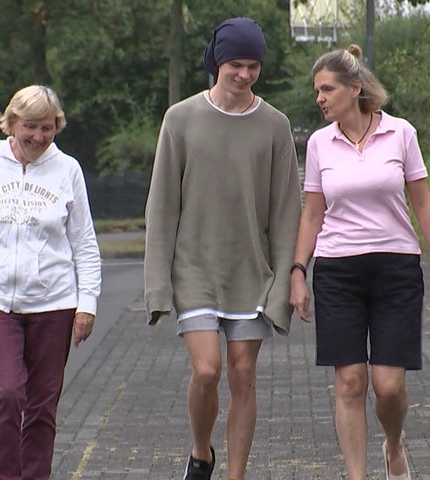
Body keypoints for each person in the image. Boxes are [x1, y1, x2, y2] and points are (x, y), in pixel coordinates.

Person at [144, 17, 301, 480]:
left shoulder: (275, 125)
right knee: (208, 370)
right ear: (217, 61)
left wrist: (285, 279)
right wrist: (158, 286)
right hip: (193, 270)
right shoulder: (181, 118)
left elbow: (287, 210)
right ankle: (201, 452)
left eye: (253, 65)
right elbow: (162, 205)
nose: (245, 74)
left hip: (252, 273)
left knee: (242, 376)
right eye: (236, 63)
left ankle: (235, 474)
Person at [290, 44, 430, 480]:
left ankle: (392, 445)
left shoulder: (401, 133)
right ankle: (357, 476)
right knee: (350, 381)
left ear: (355, 88)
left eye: (327, 88)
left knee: (388, 386)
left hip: (396, 268)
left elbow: (423, 205)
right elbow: (312, 213)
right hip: (337, 271)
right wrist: (298, 271)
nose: (320, 98)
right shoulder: (318, 144)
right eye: (317, 91)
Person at [0, 85, 102, 480]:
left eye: (48, 128)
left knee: (42, 403)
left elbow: (84, 242)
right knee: (8, 392)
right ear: (11, 123)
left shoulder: (67, 170)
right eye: (30, 127)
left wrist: (87, 304)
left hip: (54, 302)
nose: (38, 136)